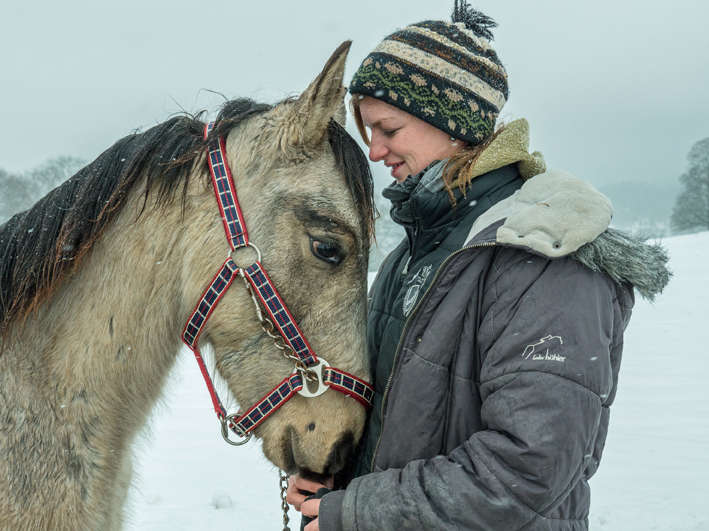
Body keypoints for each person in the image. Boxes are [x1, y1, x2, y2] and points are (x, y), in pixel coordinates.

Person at [287, 2, 670, 530]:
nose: (374, 151)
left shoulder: (543, 256)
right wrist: (336, 477)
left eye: (388, 128)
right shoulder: (417, 251)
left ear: (451, 122)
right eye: (367, 131)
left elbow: (526, 469)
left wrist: (360, 512)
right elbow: (402, 424)